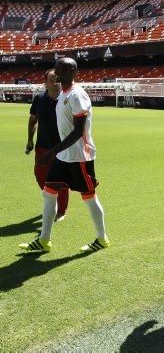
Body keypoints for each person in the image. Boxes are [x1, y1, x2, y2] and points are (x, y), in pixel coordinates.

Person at [19, 58, 109, 253]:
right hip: (64, 156)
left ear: (73, 71)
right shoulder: (63, 94)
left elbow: (78, 132)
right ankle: (44, 240)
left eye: (61, 67)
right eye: (56, 66)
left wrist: (51, 152)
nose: (57, 70)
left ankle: (102, 238)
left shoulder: (77, 95)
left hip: (79, 157)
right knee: (48, 193)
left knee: (89, 197)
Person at [26, 69, 70, 222]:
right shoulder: (39, 98)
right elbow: (33, 120)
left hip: (63, 147)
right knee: (40, 176)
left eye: (57, 78)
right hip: (42, 146)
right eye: (51, 79)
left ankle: (61, 210)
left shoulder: (68, 98)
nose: (54, 81)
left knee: (62, 179)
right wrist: (30, 139)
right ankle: (52, 199)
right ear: (45, 82)